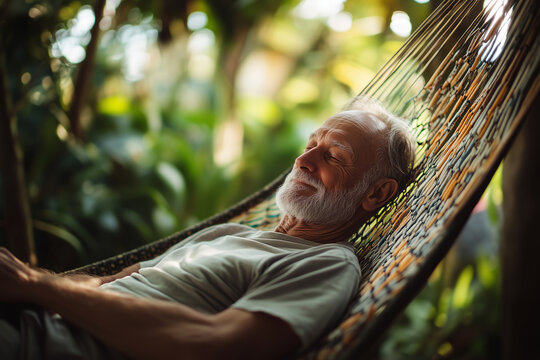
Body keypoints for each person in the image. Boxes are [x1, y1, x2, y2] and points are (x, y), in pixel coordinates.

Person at [0, 99, 416, 359]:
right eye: (311, 144)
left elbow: (216, 346)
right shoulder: (230, 236)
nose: (304, 161)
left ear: (376, 194)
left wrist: (37, 286)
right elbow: (114, 280)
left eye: (334, 156)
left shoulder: (326, 264)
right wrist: (24, 286)